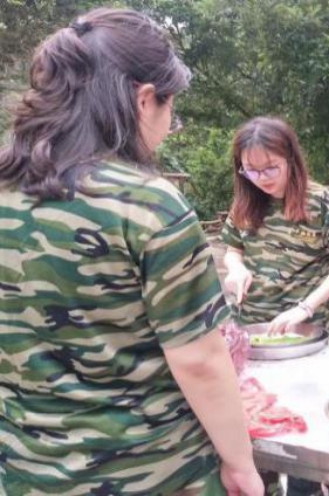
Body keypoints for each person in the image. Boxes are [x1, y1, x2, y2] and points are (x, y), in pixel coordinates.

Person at [0, 8, 262, 496]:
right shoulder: (148, 205)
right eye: (170, 109)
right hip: (153, 474)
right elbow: (200, 361)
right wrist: (240, 463)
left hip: (27, 472)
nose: (169, 123)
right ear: (144, 100)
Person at [220, 116, 329, 496]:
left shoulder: (319, 199)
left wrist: (306, 307)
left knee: (308, 428)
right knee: (261, 428)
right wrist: (236, 268)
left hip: (304, 335)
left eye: (270, 168)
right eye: (251, 170)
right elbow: (232, 249)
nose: (261, 178)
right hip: (255, 334)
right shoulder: (246, 202)